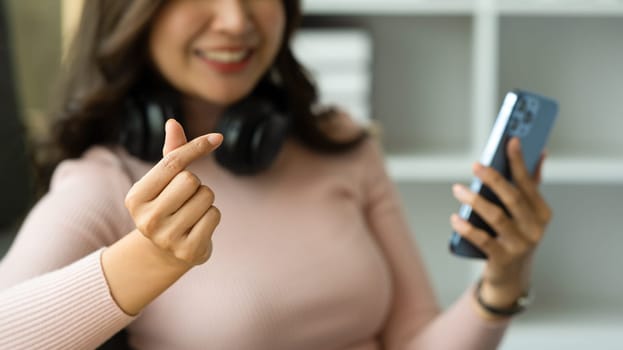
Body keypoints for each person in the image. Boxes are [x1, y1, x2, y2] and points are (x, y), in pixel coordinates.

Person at [0, 0, 553, 349]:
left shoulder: (344, 144)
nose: (237, 19)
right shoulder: (105, 181)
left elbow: (413, 340)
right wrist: (150, 259)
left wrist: (502, 284)